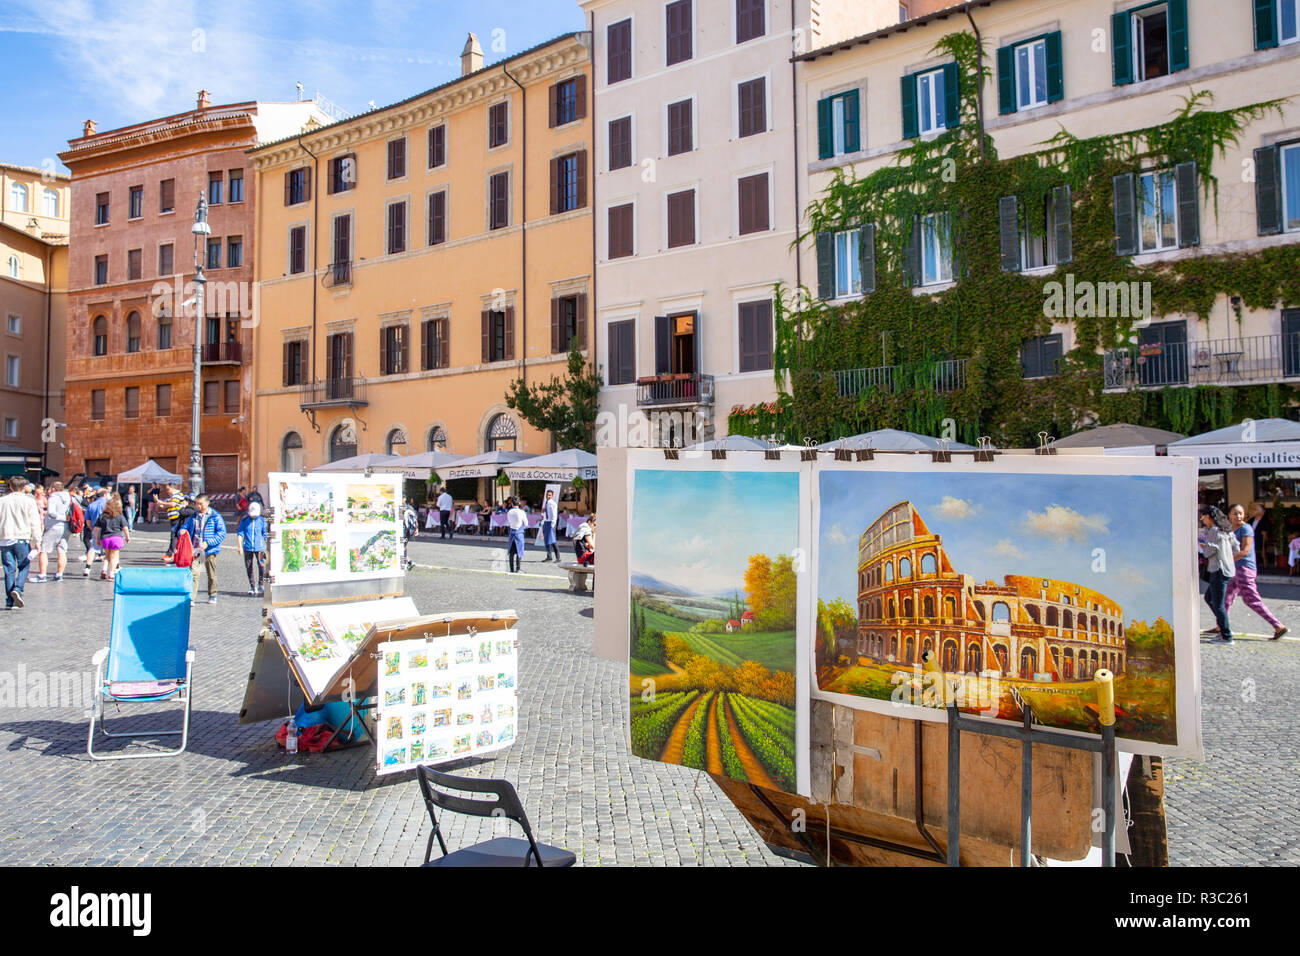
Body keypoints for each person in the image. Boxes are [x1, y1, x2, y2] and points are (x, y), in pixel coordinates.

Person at [1224, 503, 1288, 640]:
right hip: (1235, 569)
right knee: (1226, 597)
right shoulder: (1230, 530)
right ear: (1229, 515)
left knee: (1251, 600)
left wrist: (1226, 561)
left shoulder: (1245, 529)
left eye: (1240, 513)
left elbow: (1245, 551)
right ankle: (1221, 625)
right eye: (1235, 513)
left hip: (1244, 569)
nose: (1238, 516)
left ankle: (1278, 626)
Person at [0, 476, 42, 609]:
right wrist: (37, 540)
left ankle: (9, 600)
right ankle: (18, 589)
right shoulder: (29, 501)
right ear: (24, 487)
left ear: (10, 487)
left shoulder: (2, 501)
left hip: (5, 538)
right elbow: (34, 522)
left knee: (8, 569)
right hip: (22, 538)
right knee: (24, 566)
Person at [179, 494, 226, 604]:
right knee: (194, 573)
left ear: (207, 503)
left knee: (211, 573)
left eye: (200, 503)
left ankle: (212, 594)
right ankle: (192, 597)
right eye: (196, 503)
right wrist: (182, 531)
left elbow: (222, 533)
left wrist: (208, 542)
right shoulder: (194, 516)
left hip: (210, 550)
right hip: (197, 550)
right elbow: (184, 527)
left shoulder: (215, 516)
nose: (198, 506)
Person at [1200, 507, 1236, 644]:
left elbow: (1209, 552)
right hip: (1227, 569)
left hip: (1218, 569)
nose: (1202, 520)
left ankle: (1226, 636)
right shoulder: (1226, 530)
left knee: (1218, 603)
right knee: (1209, 598)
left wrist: (1203, 547)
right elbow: (1236, 547)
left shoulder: (1214, 530)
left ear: (1208, 516)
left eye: (1202, 517)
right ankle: (1224, 627)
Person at [37, 481, 72, 582]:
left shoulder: (53, 498)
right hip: (66, 527)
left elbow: (52, 513)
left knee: (44, 550)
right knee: (62, 551)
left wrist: (63, 517)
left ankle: (42, 575)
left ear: (53, 489)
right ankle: (59, 574)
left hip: (54, 526)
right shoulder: (68, 497)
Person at [96, 494, 131, 581]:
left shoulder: (102, 516)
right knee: (114, 556)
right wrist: (127, 536)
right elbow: (125, 528)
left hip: (105, 538)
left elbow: (97, 529)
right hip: (116, 537)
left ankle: (104, 570)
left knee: (107, 555)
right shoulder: (119, 516)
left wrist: (97, 538)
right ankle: (111, 573)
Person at [237, 501, 268, 595]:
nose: (253, 516)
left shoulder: (262, 520)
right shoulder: (244, 520)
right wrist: (239, 546)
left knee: (262, 566)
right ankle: (252, 586)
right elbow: (240, 533)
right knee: (249, 567)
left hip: (260, 548)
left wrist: (266, 544)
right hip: (247, 547)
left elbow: (265, 534)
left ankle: (261, 585)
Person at [82, 487, 109, 579]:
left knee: (93, 548)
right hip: (107, 528)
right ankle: (105, 569)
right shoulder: (108, 504)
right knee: (108, 549)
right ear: (105, 495)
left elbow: (87, 521)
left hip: (95, 527)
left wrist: (92, 528)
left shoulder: (91, 505)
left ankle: (87, 568)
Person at [505, 497, 527, 573]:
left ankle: (511, 569)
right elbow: (526, 523)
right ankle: (518, 569)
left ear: (511, 503)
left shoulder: (509, 512)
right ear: (519, 503)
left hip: (512, 532)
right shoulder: (522, 512)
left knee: (511, 552)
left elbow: (508, 522)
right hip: (519, 532)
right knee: (519, 552)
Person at [541, 489, 560, 562]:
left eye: (549, 495)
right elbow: (545, 513)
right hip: (546, 522)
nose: (548, 496)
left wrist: (553, 525)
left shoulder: (552, 503)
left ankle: (558, 557)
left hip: (550, 523)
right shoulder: (546, 503)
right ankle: (549, 556)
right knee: (547, 540)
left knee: (552, 540)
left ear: (552, 496)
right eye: (547, 495)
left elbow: (554, 515)